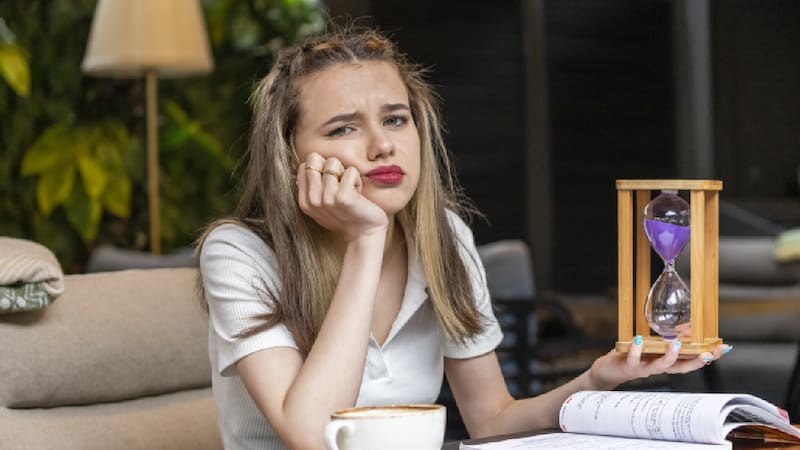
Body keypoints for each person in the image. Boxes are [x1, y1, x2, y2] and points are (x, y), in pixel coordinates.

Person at [197, 25, 730, 450]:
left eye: (396, 119)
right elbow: (311, 437)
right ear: (291, 155)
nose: (382, 145)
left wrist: (597, 379)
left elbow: (493, 421)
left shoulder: (444, 237)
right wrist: (365, 240)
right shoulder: (239, 253)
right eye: (344, 128)